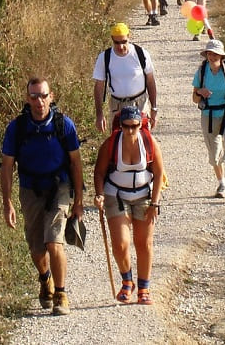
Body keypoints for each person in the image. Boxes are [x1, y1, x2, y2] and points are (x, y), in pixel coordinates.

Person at [0, 77, 84, 316]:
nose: (39, 102)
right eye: (34, 96)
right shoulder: (17, 128)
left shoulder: (63, 125)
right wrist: (7, 203)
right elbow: (6, 168)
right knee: (37, 248)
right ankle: (45, 278)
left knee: (53, 241)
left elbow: (76, 164)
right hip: (30, 190)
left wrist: (78, 201)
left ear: (51, 96)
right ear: (27, 99)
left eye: (43, 96)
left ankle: (61, 293)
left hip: (58, 187)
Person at [93, 105, 165, 305]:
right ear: (121, 126)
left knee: (144, 243)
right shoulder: (110, 144)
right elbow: (99, 172)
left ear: (141, 125)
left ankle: (144, 288)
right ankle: (127, 280)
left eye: (135, 126)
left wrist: (155, 203)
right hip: (116, 194)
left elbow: (159, 173)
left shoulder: (150, 142)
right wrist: (99, 194)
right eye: (126, 126)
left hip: (144, 195)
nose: (130, 131)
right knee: (121, 244)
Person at [191, 40, 225, 201]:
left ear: (221, 56)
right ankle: (221, 184)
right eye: (209, 53)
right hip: (209, 115)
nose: (212, 56)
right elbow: (194, 98)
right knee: (214, 155)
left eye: (215, 54)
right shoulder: (201, 72)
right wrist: (201, 91)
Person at [93, 22, 158, 133]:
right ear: (112, 39)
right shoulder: (104, 57)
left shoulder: (141, 54)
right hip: (117, 106)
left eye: (124, 42)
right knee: (116, 142)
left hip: (140, 104)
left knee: (144, 140)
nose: (120, 46)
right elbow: (98, 87)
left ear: (129, 37)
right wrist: (99, 115)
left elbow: (150, 81)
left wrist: (154, 108)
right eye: (116, 43)